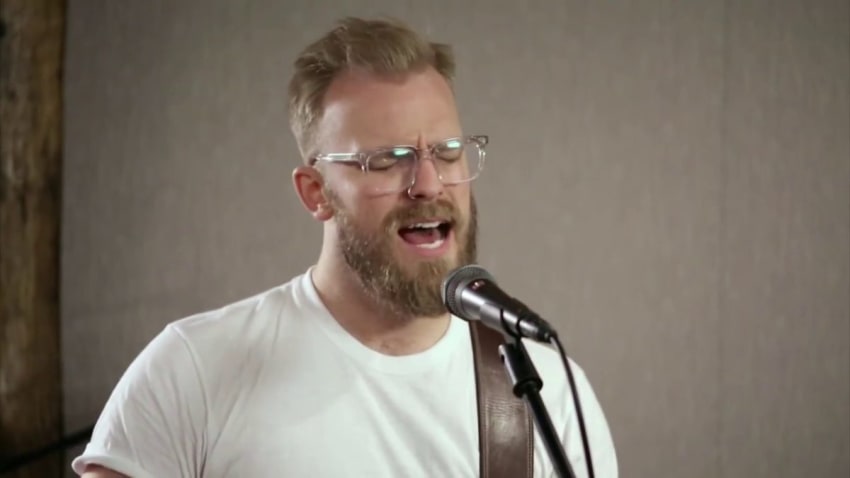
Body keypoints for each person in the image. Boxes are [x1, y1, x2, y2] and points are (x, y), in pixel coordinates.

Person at [73, 16, 618, 478]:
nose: (429, 183)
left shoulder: (543, 392)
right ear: (317, 193)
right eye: (387, 159)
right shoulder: (192, 369)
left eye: (448, 152)